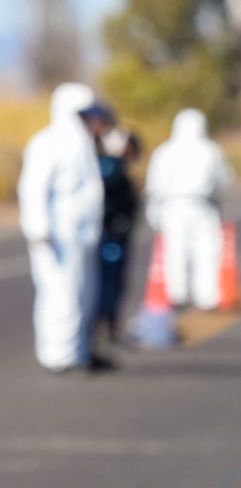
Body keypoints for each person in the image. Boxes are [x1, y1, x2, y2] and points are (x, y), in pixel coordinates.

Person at [18, 83, 107, 373]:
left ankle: (77, 351)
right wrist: (38, 225)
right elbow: (33, 187)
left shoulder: (82, 143)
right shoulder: (47, 141)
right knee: (59, 292)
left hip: (81, 232)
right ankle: (58, 355)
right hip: (57, 231)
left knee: (83, 292)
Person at [145, 108, 232, 310]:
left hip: (172, 207)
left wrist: (153, 209)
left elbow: (155, 183)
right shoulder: (210, 150)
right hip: (202, 205)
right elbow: (224, 178)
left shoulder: (165, 150)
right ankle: (207, 296)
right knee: (207, 250)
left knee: (175, 250)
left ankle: (177, 293)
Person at [80, 104, 140, 344]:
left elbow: (134, 152)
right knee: (99, 281)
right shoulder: (86, 153)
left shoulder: (113, 151)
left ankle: (111, 326)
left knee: (114, 280)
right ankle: (94, 331)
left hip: (116, 226)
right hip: (101, 227)